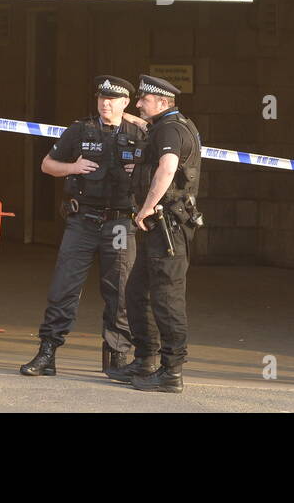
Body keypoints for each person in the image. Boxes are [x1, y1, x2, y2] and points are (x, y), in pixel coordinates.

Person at [20, 75, 147, 378]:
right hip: (83, 220)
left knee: (120, 291)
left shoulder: (141, 133)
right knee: (64, 286)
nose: (105, 104)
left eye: (112, 99)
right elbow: (47, 165)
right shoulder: (80, 129)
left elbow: (171, 159)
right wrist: (73, 167)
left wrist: (141, 168)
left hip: (120, 223)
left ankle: (118, 357)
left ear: (125, 102)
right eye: (102, 98)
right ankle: (47, 352)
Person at [107, 74, 204, 394]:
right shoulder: (168, 124)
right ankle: (146, 360)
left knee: (166, 299)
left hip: (167, 227)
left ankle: (171, 371)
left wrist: (146, 207)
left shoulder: (170, 129)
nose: (138, 103)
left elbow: (168, 167)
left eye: (144, 99)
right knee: (138, 292)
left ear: (162, 102)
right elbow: (153, 146)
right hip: (161, 228)